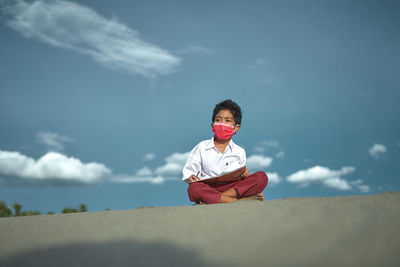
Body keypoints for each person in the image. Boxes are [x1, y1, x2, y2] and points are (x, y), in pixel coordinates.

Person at [182, 99, 268, 204]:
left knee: (261, 177)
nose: (222, 124)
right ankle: (237, 200)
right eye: (218, 120)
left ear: (237, 128)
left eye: (228, 120)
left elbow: (241, 178)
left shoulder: (239, 151)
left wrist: (245, 175)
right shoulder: (201, 147)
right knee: (194, 189)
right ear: (212, 125)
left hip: (232, 188)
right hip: (209, 187)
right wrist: (191, 176)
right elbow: (189, 172)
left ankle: (219, 199)